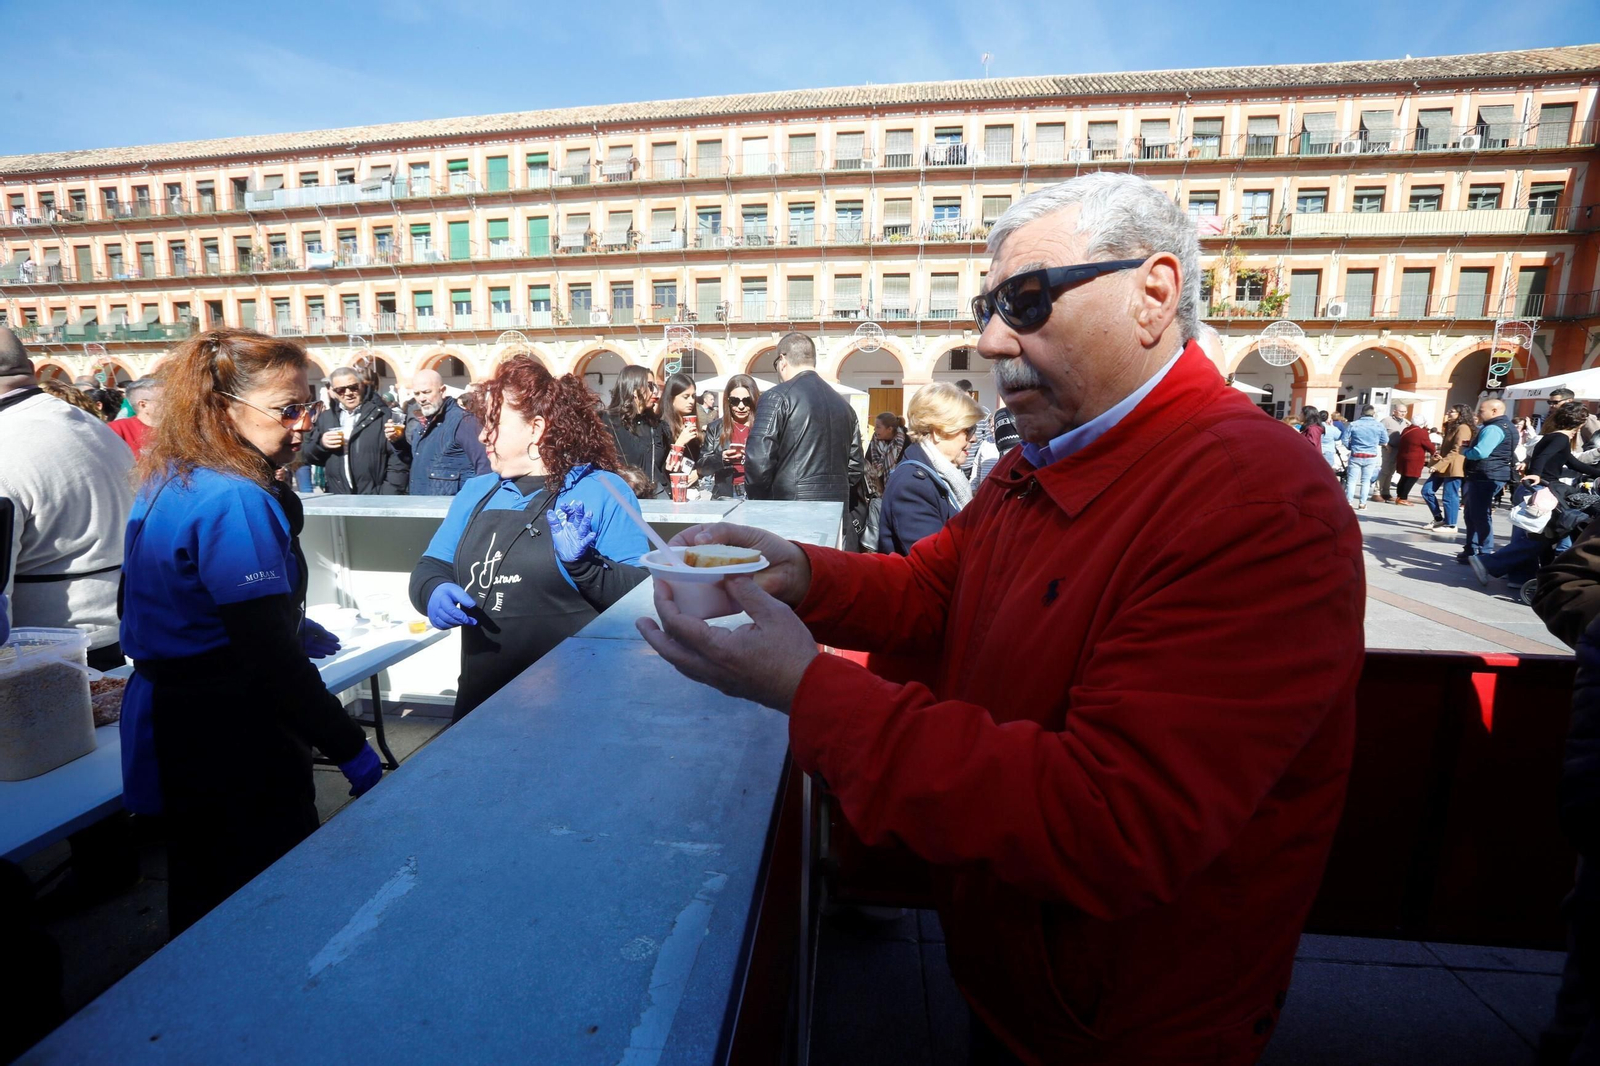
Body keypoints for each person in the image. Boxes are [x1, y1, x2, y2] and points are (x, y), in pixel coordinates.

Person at [636, 173, 1362, 1063]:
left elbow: (1114, 821)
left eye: (1027, 300)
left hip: (1124, 1023)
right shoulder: (1043, 463)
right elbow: (935, 589)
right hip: (1029, 978)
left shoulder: (1254, 502)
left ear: (1154, 295)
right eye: (990, 307)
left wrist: (807, 688)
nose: (988, 340)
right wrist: (801, 572)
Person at [117, 329, 383, 934]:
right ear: (222, 408)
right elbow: (273, 662)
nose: (303, 424)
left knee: (201, 890)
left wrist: (281, 620)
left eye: (308, 406)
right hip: (232, 730)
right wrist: (349, 747)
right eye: (287, 409)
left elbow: (151, 598)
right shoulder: (236, 497)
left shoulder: (172, 476)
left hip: (175, 717)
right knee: (264, 900)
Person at [408, 356, 650, 721]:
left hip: (581, 705)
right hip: (483, 703)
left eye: (493, 424)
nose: (482, 436)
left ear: (536, 428)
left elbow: (642, 597)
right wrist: (433, 591)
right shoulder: (476, 492)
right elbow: (430, 566)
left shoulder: (603, 490)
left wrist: (586, 567)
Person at [0, 328, 133, 670]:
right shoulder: (88, 424)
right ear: (29, 368)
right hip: (115, 636)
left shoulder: (6, 442)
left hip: (40, 660)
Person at [742, 331, 865, 548]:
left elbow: (758, 462)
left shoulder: (776, 397)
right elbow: (855, 468)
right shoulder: (844, 406)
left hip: (789, 517)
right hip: (836, 518)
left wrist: (761, 506)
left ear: (782, 360)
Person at [1470, 401, 1600, 588]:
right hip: (1540, 490)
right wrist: (1536, 474)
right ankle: (1488, 563)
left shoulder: (1553, 437)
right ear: (1580, 423)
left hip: (1533, 489)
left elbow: (1573, 463)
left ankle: (1520, 578)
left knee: (1532, 536)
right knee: (1544, 536)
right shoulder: (1560, 439)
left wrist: (1597, 473)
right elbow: (1544, 457)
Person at [877, 384, 981, 555]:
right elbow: (935, 559)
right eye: (968, 430)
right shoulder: (912, 485)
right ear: (938, 432)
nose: (974, 438)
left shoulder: (943, 473)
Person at [300, 365, 408, 495]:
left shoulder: (382, 415)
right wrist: (321, 444)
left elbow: (399, 460)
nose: (348, 393)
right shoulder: (326, 418)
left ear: (362, 386)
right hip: (340, 498)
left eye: (353, 387)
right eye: (341, 390)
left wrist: (388, 494)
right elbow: (308, 456)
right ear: (333, 392)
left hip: (376, 498)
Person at [403, 368, 491, 495]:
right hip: (421, 504)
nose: (421, 398)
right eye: (417, 394)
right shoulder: (421, 426)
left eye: (427, 392)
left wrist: (474, 502)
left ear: (442, 391)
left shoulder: (464, 422)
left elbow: (485, 468)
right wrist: (398, 443)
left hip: (454, 505)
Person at [1459, 397, 1517, 562]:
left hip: (1485, 475)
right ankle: (1472, 549)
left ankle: (1483, 552)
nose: (1478, 414)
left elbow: (1481, 452)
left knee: (1478, 515)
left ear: (1494, 411)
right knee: (1474, 513)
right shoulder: (1508, 426)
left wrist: (1465, 451)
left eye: (1481, 411)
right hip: (1494, 474)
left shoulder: (1493, 428)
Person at [600, 365, 669, 496]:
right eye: (650, 386)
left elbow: (660, 468)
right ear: (634, 389)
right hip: (622, 497)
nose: (655, 392)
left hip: (655, 497)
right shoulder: (607, 423)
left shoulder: (656, 425)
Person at [697, 375, 761, 499]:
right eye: (735, 401)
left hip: (756, 494)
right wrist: (720, 458)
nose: (741, 406)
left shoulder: (763, 427)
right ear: (728, 401)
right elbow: (701, 467)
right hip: (726, 494)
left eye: (746, 401)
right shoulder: (715, 428)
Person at [1422, 404, 1475, 531]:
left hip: (1453, 466)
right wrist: (1439, 456)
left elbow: (1458, 450)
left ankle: (1451, 524)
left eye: (1452, 411)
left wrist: (1439, 465)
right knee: (1427, 491)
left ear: (1460, 414)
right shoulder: (1450, 426)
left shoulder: (1463, 428)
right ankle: (1439, 519)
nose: (1448, 413)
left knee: (1450, 496)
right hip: (1443, 464)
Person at [861, 412, 908, 551]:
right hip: (878, 492)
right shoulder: (875, 440)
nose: (875, 430)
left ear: (889, 429)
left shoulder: (905, 440)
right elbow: (868, 462)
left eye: (878, 427)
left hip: (898, 491)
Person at [660, 372, 705, 496]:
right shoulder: (662, 427)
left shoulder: (693, 425)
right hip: (672, 492)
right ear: (671, 399)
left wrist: (699, 472)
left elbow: (700, 459)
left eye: (693, 396)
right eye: (686, 397)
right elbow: (665, 467)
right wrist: (680, 443)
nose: (691, 401)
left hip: (694, 491)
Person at [1343, 405, 1387, 509]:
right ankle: (1362, 503)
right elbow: (1385, 440)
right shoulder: (1379, 425)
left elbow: (1344, 439)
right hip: (1371, 455)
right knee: (1366, 481)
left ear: (1361, 413)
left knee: (1352, 480)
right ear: (1373, 414)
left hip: (1356, 454)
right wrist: (1376, 442)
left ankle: (1349, 502)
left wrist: (1351, 447)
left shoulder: (1353, 424)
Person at [107, 377, 163, 458]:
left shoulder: (177, 427)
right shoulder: (117, 429)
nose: (173, 404)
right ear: (143, 405)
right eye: (166, 400)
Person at [1392, 417, 1436, 505]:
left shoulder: (1406, 430)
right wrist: (1434, 452)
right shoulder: (1422, 432)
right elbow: (1428, 445)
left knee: (1404, 477)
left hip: (1403, 456)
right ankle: (1403, 498)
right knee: (1412, 477)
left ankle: (1399, 496)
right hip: (1414, 459)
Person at [1377, 404, 1411, 503]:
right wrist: (1385, 444)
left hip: (1399, 450)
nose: (1403, 413)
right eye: (1401, 411)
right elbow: (1378, 433)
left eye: (1405, 412)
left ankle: (1386, 492)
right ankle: (1377, 492)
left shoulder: (1405, 423)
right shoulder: (1386, 421)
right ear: (1394, 411)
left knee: (1391, 472)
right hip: (1388, 449)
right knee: (1385, 470)